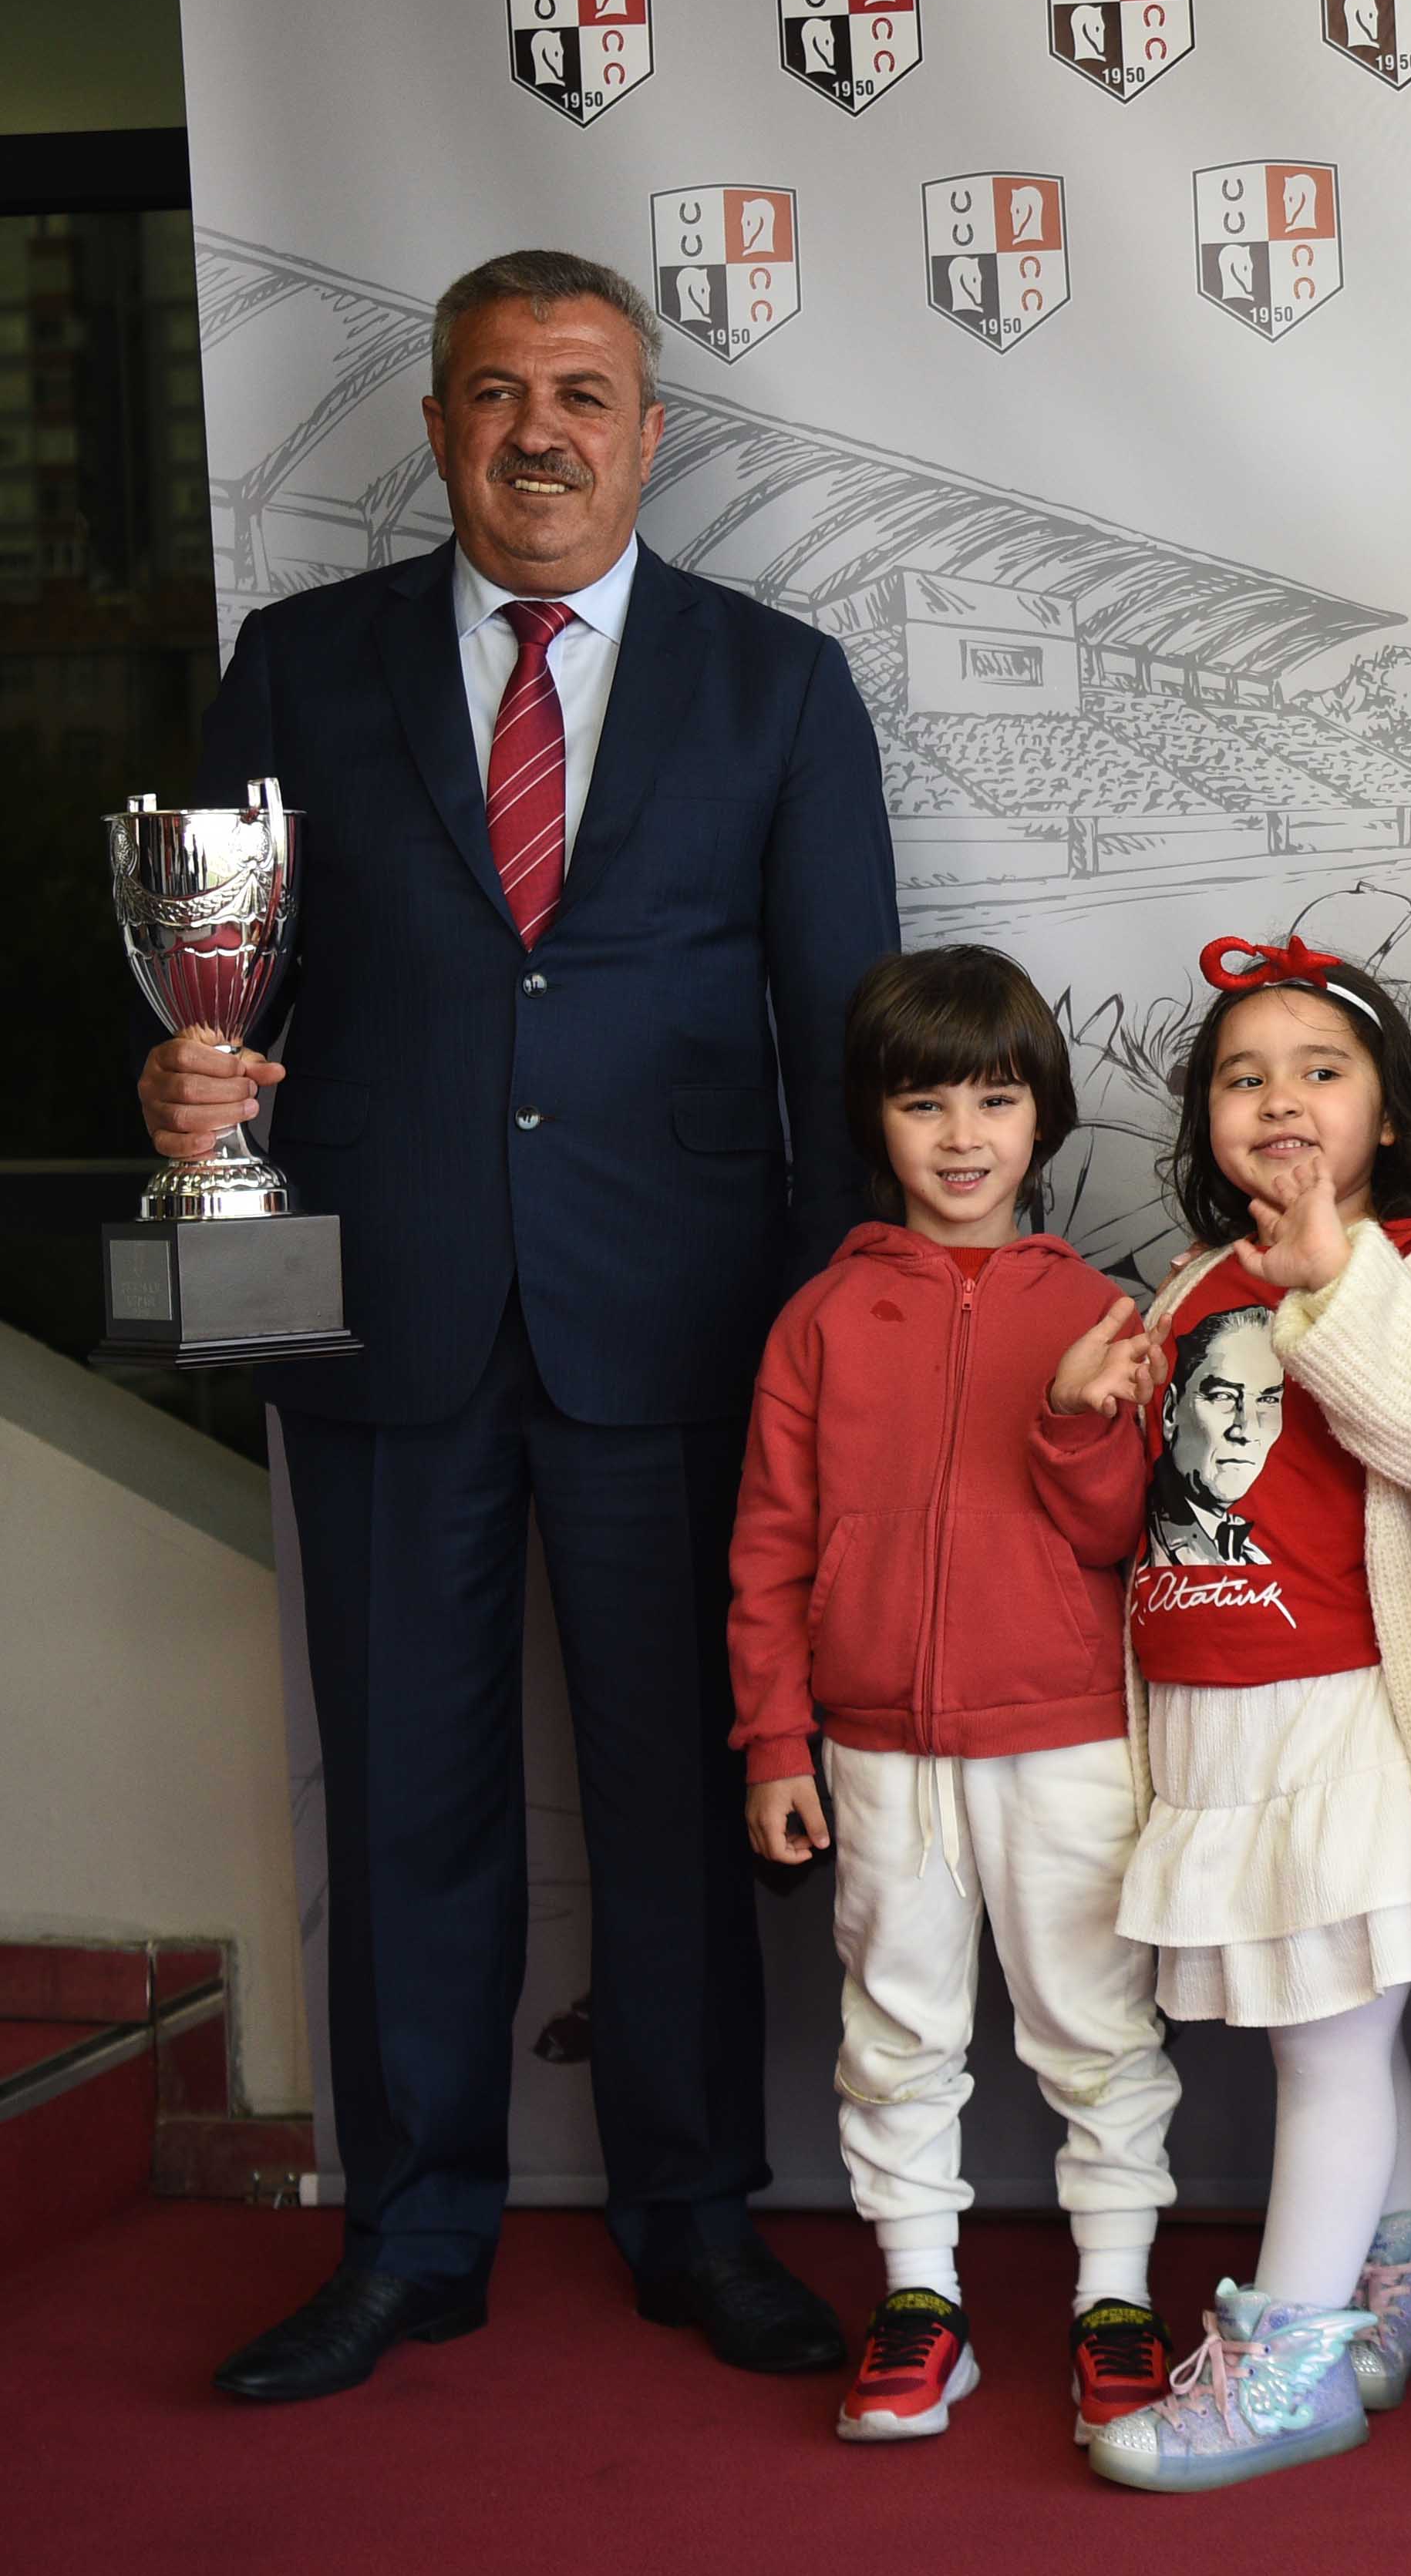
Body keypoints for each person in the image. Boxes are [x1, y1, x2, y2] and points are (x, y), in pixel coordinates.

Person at [163, 252, 896, 2406]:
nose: (540, 432)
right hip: (379, 1322)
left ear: (649, 434)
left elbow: (840, 1040)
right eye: (495, 393)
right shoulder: (297, 669)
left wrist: (838, 1354)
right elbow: (218, 1003)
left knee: (683, 1791)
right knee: (404, 1795)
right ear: (438, 430)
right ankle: (408, 2236)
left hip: (686, 1338)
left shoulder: (780, 685)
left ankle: (697, 2216)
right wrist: (182, 1086)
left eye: (582, 392)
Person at [1042, 940, 1411, 2493]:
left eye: (1321, 1069)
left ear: (1390, 1112)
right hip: (1213, 1715)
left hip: (1342, 1716)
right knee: (1343, 2022)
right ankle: (1393, 2275)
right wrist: (1083, 1419)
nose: (1280, 1099)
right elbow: (1131, 1513)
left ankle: (1287, 2359)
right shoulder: (1188, 1283)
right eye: (1243, 1076)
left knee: (1327, 2046)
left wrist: (1332, 1276)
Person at [726, 947, 1179, 2448]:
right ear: (877, 1119)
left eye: (994, 1097)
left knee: (1097, 2025)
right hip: (878, 1748)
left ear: (1044, 1114)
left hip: (1069, 1738)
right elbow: (771, 1546)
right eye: (925, 1102)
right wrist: (774, 1740)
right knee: (896, 2027)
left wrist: (1078, 1420)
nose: (963, 1135)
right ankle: (920, 2299)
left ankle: (1113, 2300)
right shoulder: (820, 1319)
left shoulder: (1100, 1311)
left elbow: (1118, 1536)